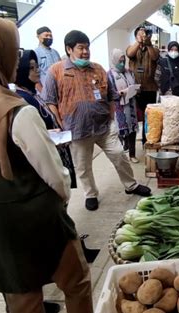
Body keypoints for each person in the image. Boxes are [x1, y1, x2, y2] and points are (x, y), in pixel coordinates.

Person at [0, 10, 93, 313]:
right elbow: (54, 175)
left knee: (23, 302)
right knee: (76, 283)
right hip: (38, 222)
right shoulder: (15, 111)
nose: (16, 59)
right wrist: (63, 197)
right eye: (10, 50)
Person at [43, 30, 151, 211]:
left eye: (87, 48)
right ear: (69, 49)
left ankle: (131, 185)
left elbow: (110, 95)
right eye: (81, 48)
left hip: (103, 127)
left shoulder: (98, 69)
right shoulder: (56, 71)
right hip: (77, 130)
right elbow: (50, 101)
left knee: (118, 155)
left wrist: (110, 117)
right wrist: (60, 124)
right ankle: (91, 194)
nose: (85, 52)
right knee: (83, 167)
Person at [15, 49, 77, 189]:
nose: (37, 71)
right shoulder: (22, 99)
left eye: (37, 67)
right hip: (47, 155)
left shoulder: (32, 92)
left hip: (56, 147)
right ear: (21, 71)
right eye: (31, 68)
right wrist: (50, 136)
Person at [126, 26, 160, 145]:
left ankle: (147, 140)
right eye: (139, 34)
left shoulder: (153, 49)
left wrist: (148, 44)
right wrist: (138, 42)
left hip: (150, 89)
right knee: (133, 117)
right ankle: (130, 146)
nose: (142, 37)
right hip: (134, 89)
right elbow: (130, 54)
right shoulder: (132, 48)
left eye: (144, 34)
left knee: (149, 116)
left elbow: (155, 57)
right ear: (135, 37)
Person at [107, 48, 140, 163]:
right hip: (119, 107)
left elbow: (134, 84)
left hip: (131, 105)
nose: (122, 63)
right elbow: (109, 93)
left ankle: (132, 154)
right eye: (119, 61)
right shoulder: (110, 75)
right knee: (121, 131)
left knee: (132, 131)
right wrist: (119, 93)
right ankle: (121, 156)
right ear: (114, 60)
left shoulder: (129, 72)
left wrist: (134, 89)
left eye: (123, 60)